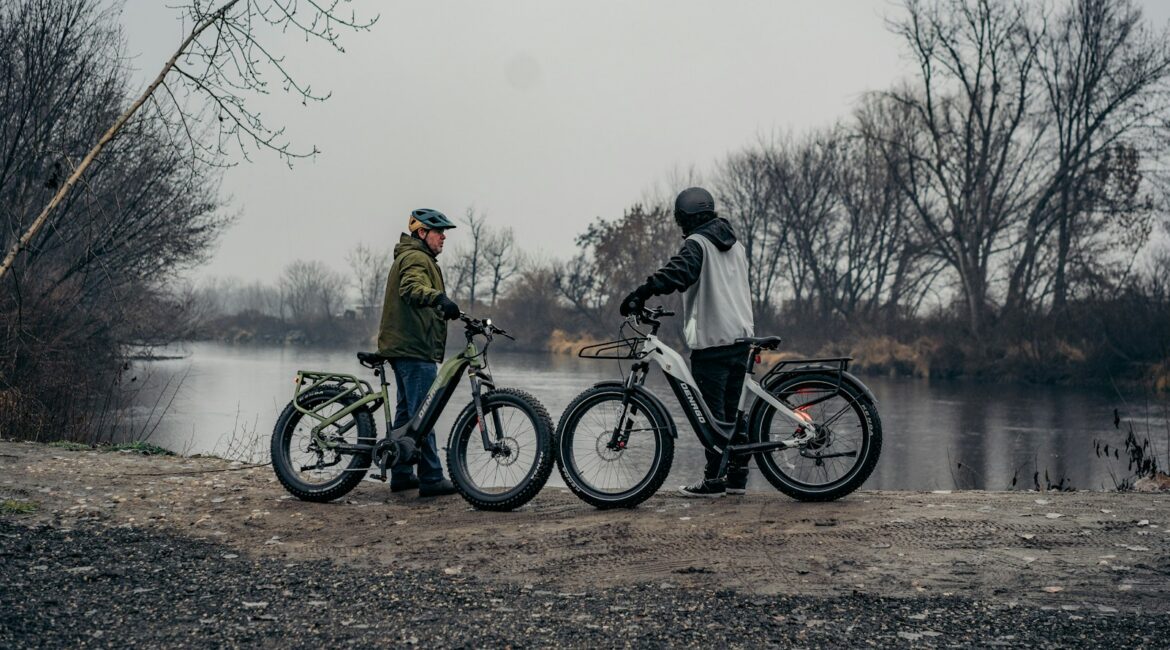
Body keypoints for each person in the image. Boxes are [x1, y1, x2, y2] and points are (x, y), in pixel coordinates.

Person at [619, 187, 755, 498]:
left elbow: (678, 273)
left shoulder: (698, 244)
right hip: (741, 337)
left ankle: (713, 481)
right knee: (732, 415)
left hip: (713, 342)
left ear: (684, 218)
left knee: (714, 418)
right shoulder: (737, 246)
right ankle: (736, 478)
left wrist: (642, 292)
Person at [376, 208, 463, 497]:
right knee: (423, 414)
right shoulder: (416, 257)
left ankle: (401, 474)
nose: (444, 237)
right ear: (422, 233)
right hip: (413, 348)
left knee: (406, 413)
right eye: (439, 232)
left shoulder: (417, 257)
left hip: (406, 346)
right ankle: (431, 477)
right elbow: (411, 288)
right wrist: (438, 297)